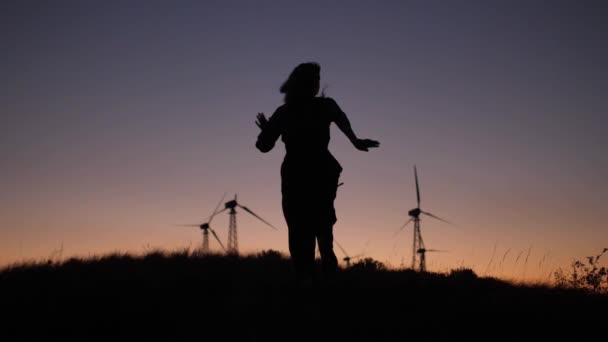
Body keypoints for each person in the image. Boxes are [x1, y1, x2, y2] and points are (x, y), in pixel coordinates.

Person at [255, 62, 379, 282]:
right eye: (313, 80)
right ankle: (316, 279)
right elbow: (264, 146)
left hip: (307, 174)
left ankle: (313, 279)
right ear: (303, 84)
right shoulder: (315, 108)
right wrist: (355, 141)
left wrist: (355, 140)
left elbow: (264, 146)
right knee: (312, 229)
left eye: (317, 79)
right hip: (310, 173)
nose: (316, 83)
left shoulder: (290, 112)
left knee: (308, 230)